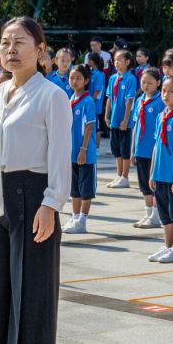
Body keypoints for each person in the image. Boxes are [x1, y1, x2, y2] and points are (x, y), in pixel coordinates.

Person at [0, 16, 71, 344]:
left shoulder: (51, 96)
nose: (10, 50)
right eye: (4, 43)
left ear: (40, 50)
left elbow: (59, 157)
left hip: (34, 198)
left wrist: (51, 204)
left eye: (19, 42)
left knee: (31, 296)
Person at [149, 77, 173, 262]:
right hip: (160, 173)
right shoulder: (161, 115)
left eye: (171, 91)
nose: (166, 94)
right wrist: (152, 172)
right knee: (164, 212)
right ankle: (167, 246)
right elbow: (156, 146)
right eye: (164, 90)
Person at [63, 63, 100, 235]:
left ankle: (83, 220)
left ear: (86, 80)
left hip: (85, 153)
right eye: (71, 78)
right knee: (75, 188)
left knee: (86, 189)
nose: (74, 81)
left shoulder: (88, 101)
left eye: (78, 78)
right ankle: (75, 216)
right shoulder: (70, 99)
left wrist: (83, 149)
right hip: (72, 152)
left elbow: (89, 126)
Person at [130, 66, 165, 228]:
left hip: (153, 149)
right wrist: (132, 149)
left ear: (158, 83)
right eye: (143, 82)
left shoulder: (161, 102)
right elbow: (136, 125)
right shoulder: (140, 100)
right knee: (143, 184)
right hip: (140, 148)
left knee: (154, 184)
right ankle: (148, 213)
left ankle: (157, 215)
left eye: (150, 83)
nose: (145, 85)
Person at [104, 49, 136, 190]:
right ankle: (118, 174)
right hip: (114, 118)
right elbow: (110, 98)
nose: (116, 63)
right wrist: (107, 115)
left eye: (119, 60)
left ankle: (125, 176)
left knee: (124, 149)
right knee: (115, 148)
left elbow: (129, 101)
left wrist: (125, 119)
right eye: (115, 60)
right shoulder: (113, 78)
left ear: (127, 62)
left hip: (124, 120)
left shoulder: (130, 79)